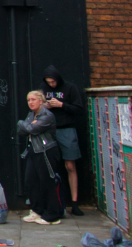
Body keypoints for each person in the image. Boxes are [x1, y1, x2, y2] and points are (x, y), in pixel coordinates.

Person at [42, 65, 85, 216]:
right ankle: (53, 202)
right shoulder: (43, 89)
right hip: (49, 129)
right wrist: (46, 106)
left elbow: (79, 109)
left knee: (70, 165)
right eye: (49, 82)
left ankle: (74, 203)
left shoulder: (70, 88)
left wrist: (61, 105)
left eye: (53, 82)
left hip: (67, 128)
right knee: (49, 166)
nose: (51, 85)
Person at [17, 90, 65, 225]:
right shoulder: (31, 114)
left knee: (47, 182)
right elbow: (22, 131)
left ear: (41, 100)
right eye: (28, 100)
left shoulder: (47, 115)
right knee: (30, 180)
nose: (30, 102)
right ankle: (37, 210)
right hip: (33, 150)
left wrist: (22, 123)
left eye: (33, 99)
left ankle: (52, 215)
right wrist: (26, 125)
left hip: (46, 151)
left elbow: (32, 129)